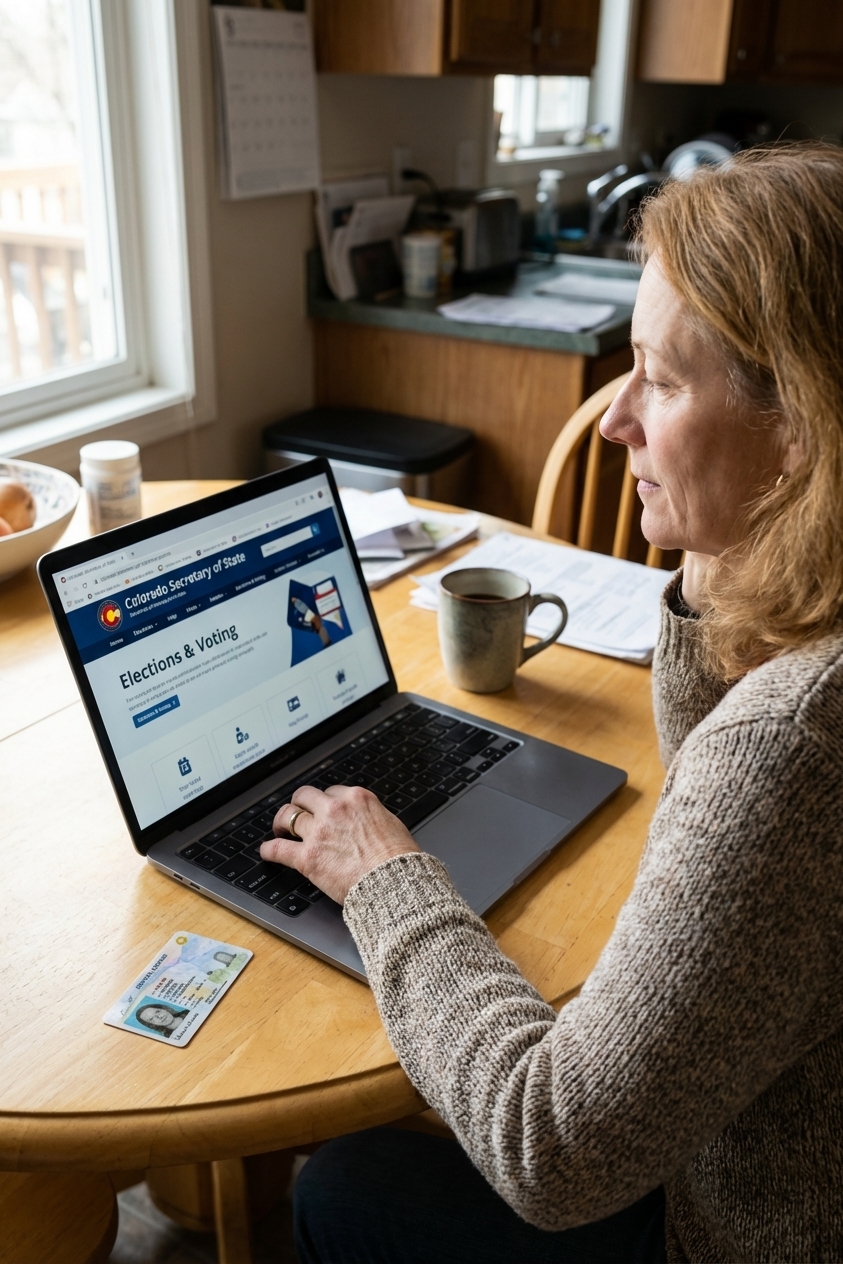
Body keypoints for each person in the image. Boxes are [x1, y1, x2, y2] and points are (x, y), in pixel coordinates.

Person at [260, 144, 843, 1263]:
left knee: (344, 1185)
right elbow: (709, 787)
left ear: (804, 429)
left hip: (735, 1229)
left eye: (662, 381)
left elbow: (551, 1148)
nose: (618, 419)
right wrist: (729, 557)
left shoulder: (795, 742)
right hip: (730, 1138)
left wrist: (386, 879)